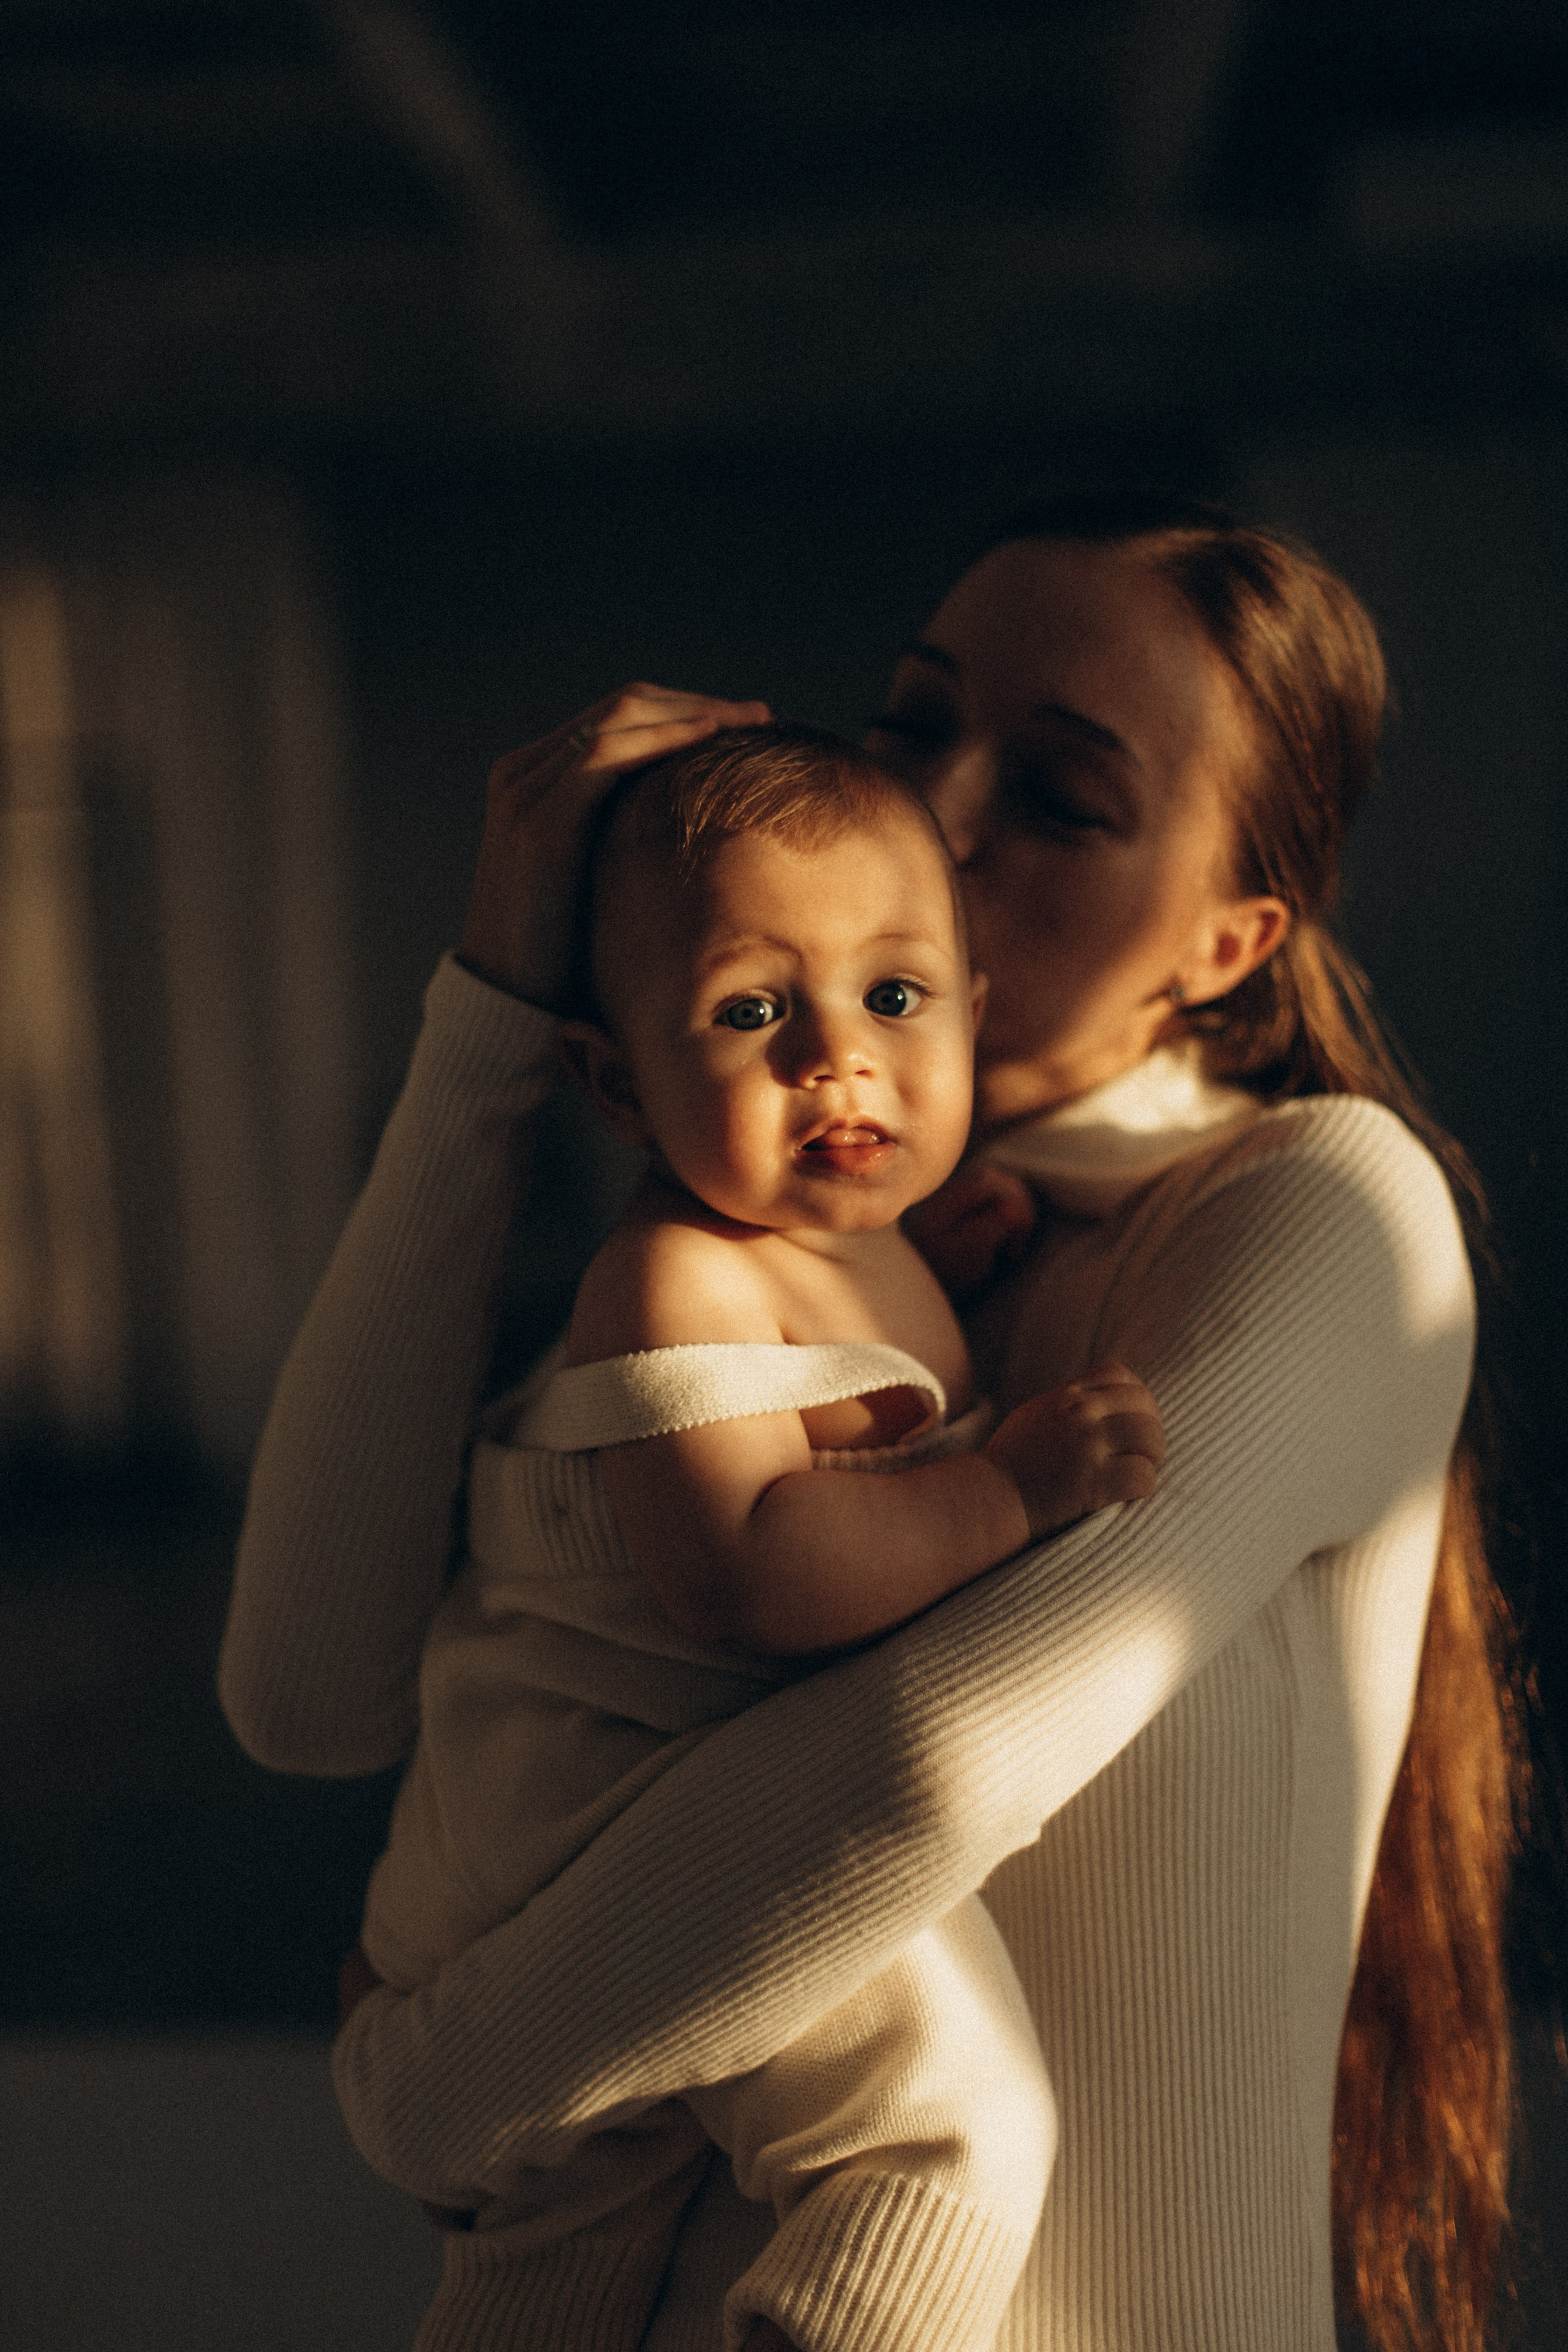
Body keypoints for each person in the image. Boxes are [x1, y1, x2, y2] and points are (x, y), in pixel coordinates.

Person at [221, 493, 1523, 2352]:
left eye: (1067, 798)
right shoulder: (802, 1243)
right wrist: (496, 1015)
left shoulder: (1316, 1208)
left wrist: (433, 2085)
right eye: (917, 724)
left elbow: (921, 1771)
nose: (946, 811)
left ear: (1231, 943)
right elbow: (303, 1695)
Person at [348, 722, 1165, 2351]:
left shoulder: (856, 1247)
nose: (839, 1061)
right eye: (749, 1011)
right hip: (580, 1851)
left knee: (559, 2256)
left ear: (973, 1014)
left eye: (894, 997)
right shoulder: (675, 1283)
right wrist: (1003, 1487)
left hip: (662, 1848)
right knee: (954, 2135)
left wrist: (944, 1269)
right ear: (617, 1082)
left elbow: (849, 1403)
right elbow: (756, 1575)